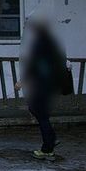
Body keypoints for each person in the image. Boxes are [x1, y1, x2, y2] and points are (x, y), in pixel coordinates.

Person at [15, 17, 66, 161]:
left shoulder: (40, 43)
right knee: (40, 111)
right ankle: (51, 139)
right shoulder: (51, 41)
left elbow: (34, 64)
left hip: (44, 82)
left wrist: (23, 81)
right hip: (51, 81)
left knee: (38, 110)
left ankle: (48, 146)